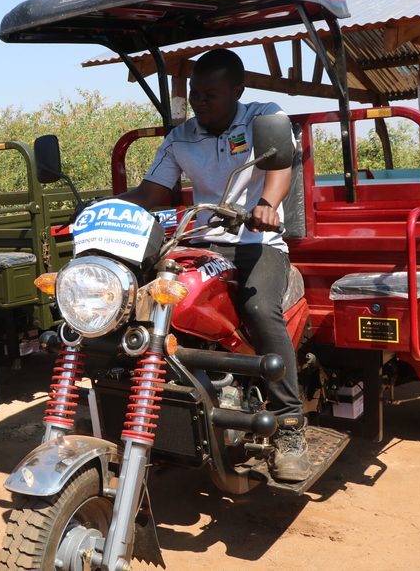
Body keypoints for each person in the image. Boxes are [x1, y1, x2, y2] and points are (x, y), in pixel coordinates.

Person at [118, 48, 309, 482]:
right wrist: (104, 206)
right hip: (202, 242)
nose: (200, 103)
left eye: (210, 95)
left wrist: (266, 204)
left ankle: (290, 424)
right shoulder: (180, 138)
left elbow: (279, 167)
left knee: (260, 309)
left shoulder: (264, 117)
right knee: (145, 305)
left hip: (257, 240)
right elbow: (151, 194)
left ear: (237, 91)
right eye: (194, 94)